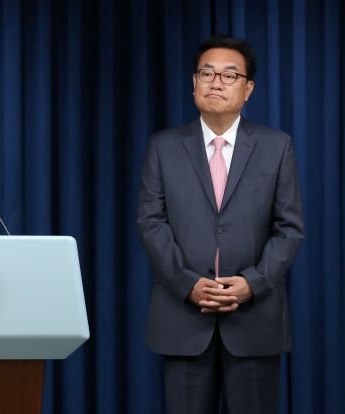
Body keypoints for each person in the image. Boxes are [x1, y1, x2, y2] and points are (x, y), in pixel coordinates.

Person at [137, 34, 304, 413]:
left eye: (229, 75)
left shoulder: (276, 146)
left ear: (248, 89)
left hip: (255, 319)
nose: (216, 82)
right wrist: (187, 284)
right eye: (207, 73)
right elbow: (150, 222)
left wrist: (253, 283)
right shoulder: (163, 146)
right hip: (183, 318)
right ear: (193, 83)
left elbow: (289, 227)